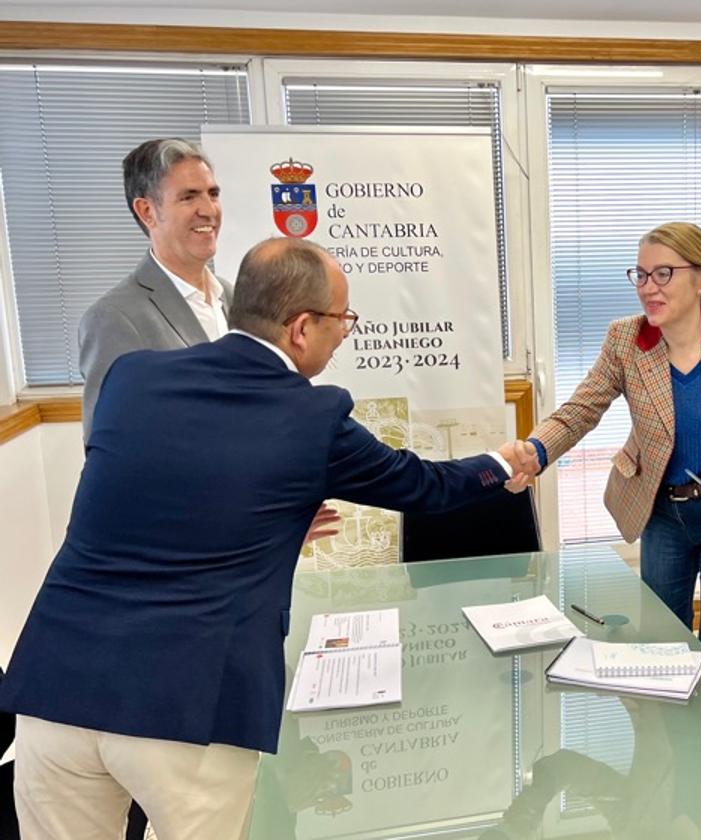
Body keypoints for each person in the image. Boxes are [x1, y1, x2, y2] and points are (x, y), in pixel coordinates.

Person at [0, 237, 539, 840]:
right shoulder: (313, 417)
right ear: (302, 327)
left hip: (56, 688)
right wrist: (504, 458)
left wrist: (262, 518)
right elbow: (426, 487)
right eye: (344, 320)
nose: (345, 335)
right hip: (189, 707)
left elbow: (143, 491)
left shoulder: (132, 379)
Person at [524, 222, 701, 681]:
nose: (648, 288)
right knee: (663, 648)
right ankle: (673, 750)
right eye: (641, 275)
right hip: (663, 518)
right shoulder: (626, 340)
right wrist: (535, 452)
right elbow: (581, 410)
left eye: (663, 274)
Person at [79, 137, 230, 442]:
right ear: (147, 211)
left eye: (212, 194)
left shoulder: (233, 296)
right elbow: (110, 449)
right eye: (189, 197)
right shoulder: (113, 318)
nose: (208, 210)